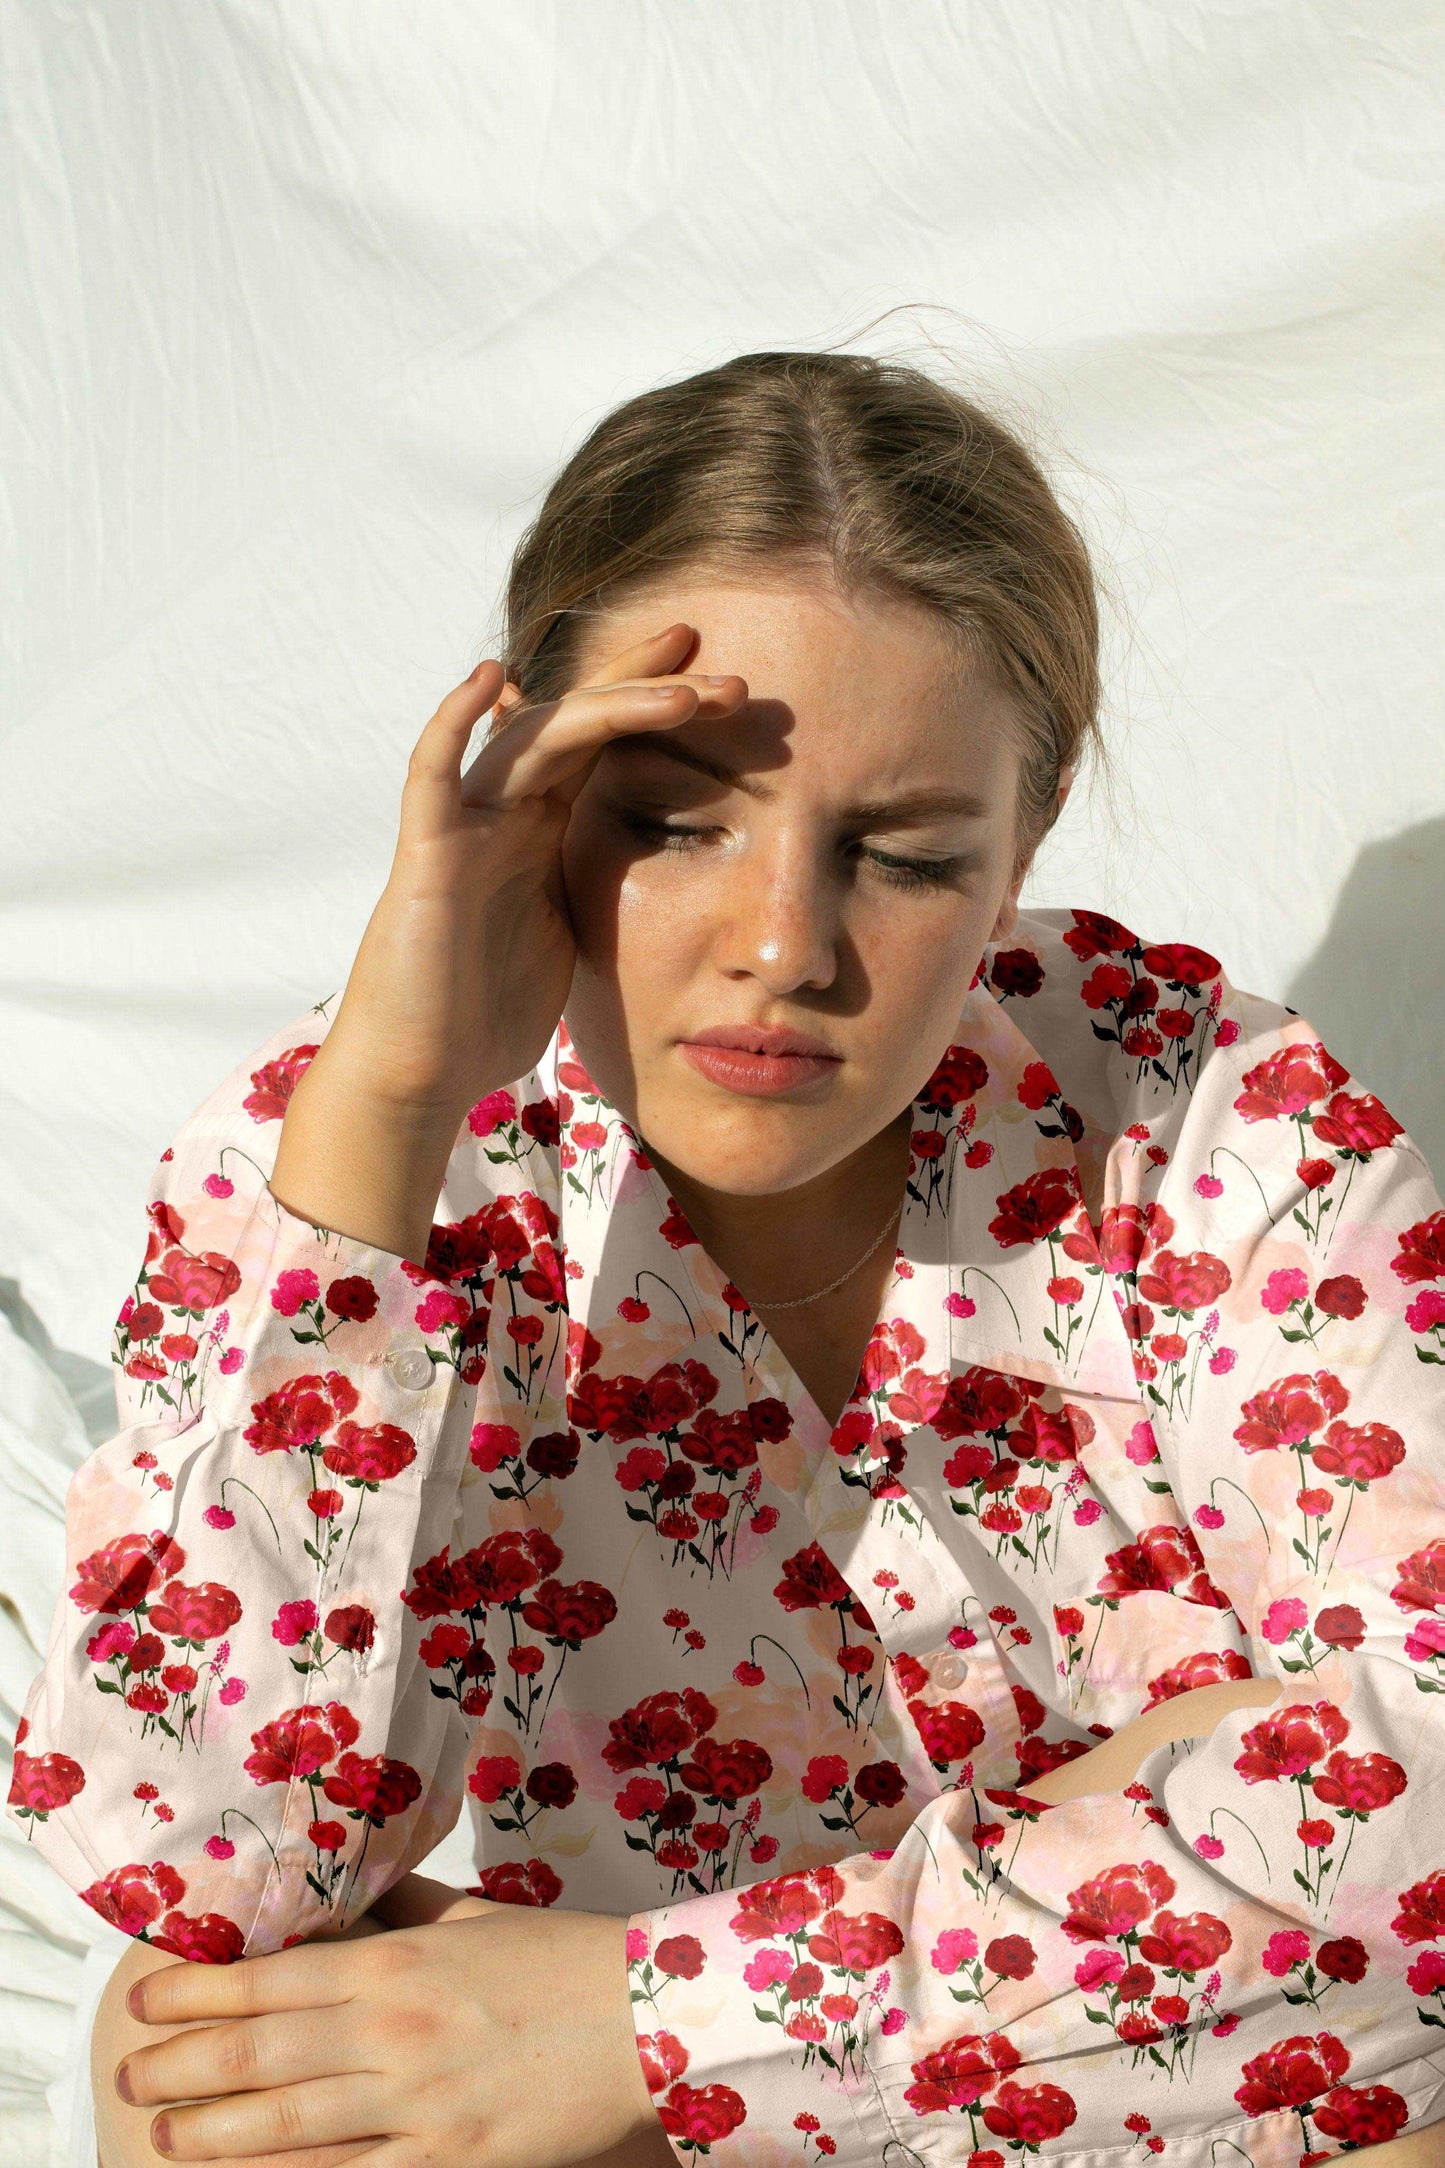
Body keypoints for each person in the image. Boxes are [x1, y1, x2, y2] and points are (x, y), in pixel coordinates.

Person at [11, 350, 1445, 2168]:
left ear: (1023, 846)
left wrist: (635, 2015)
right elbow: (195, 1876)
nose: (781, 944)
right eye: (673, 821)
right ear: (533, 786)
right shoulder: (348, 1154)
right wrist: (382, 1107)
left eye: (902, 856)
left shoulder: (1213, 1119)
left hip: (1104, 2122)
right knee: (195, 2080)